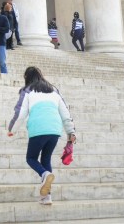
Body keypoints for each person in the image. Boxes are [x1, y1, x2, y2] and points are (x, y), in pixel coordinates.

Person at [7, 66, 77, 206]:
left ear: (27, 77)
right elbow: (65, 112)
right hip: (55, 130)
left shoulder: (27, 91)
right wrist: (71, 131)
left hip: (38, 128)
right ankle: (47, 197)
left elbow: (20, 113)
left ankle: (44, 175)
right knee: (45, 159)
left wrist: (12, 129)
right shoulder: (54, 90)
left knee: (31, 158)